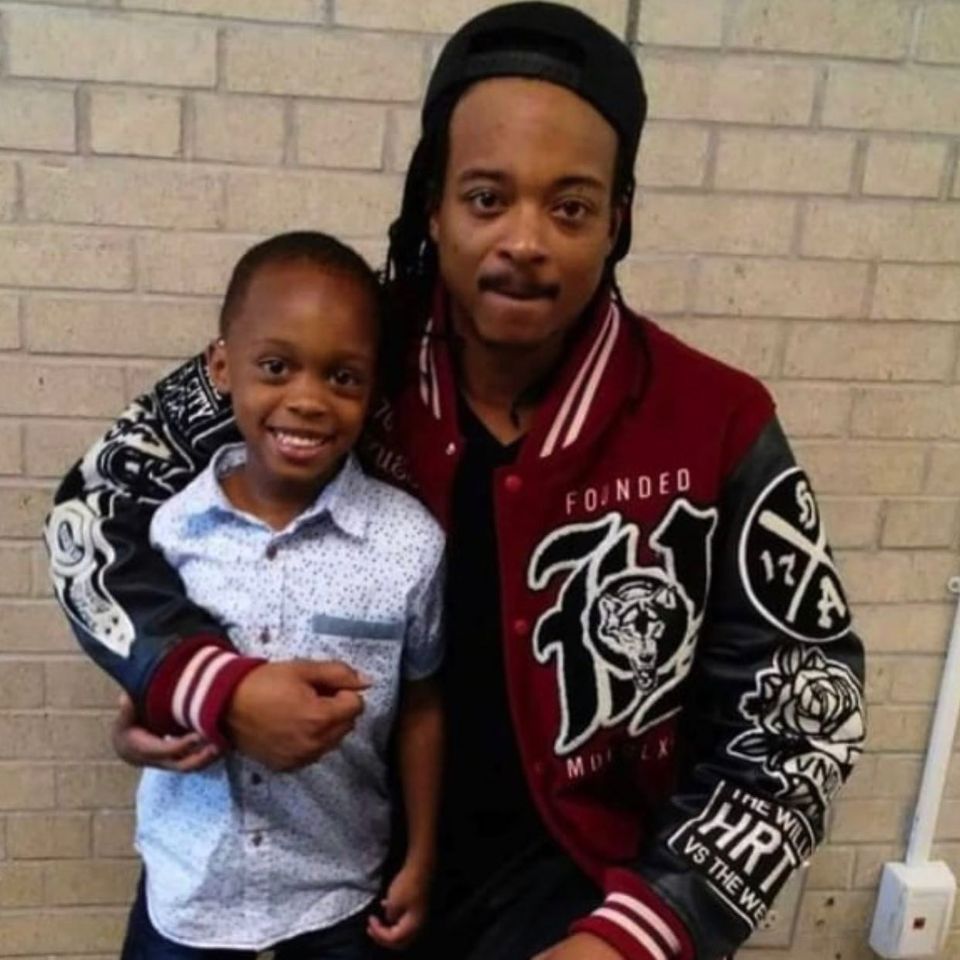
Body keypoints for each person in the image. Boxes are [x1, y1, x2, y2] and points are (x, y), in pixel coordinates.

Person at [45, 5, 866, 960]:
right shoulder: (337, 351)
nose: (525, 239)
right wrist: (192, 680)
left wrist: (644, 931)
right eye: (486, 198)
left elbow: (805, 715)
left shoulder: (714, 420)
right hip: (339, 888)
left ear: (618, 219)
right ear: (432, 203)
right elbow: (94, 511)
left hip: (589, 895)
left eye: (570, 207)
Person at [109, 231, 445, 958]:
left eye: (343, 377)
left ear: (373, 388)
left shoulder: (410, 544)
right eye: (275, 367)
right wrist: (125, 737)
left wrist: (421, 858)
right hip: (188, 893)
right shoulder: (171, 532)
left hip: (336, 895)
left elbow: (421, 706)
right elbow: (144, 684)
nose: (308, 400)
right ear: (222, 367)